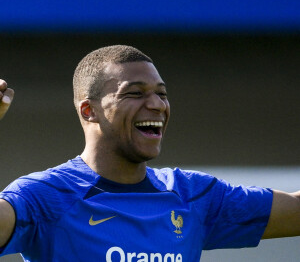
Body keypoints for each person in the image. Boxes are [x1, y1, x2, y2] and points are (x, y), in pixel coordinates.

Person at [0, 45, 299, 262]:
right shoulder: (45, 196)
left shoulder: (193, 195)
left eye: (162, 93)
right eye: (135, 93)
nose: (157, 104)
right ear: (90, 111)